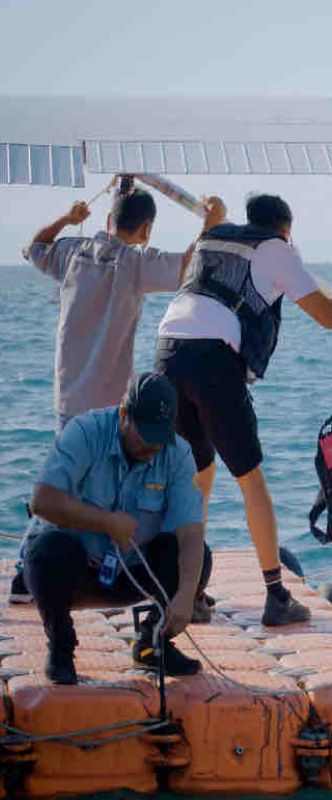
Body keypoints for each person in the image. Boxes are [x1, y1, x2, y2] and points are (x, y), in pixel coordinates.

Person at [155, 194, 332, 627]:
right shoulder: (276, 248)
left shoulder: (213, 238)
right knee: (250, 480)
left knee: (197, 478)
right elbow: (329, 315)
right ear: (286, 229)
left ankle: (187, 592)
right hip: (212, 361)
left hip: (166, 353)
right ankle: (276, 596)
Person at [15, 184, 224, 603]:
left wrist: (66, 220)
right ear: (146, 229)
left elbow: (31, 247)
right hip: (113, 404)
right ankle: (116, 571)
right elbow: (189, 267)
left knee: (64, 482)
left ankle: (27, 571)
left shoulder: (72, 251)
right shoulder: (137, 262)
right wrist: (210, 225)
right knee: (109, 485)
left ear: (107, 221)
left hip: (69, 393)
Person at [24, 373, 212, 685]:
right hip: (80, 567)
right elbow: (42, 500)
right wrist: (106, 522)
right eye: (146, 435)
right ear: (124, 415)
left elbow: (191, 531)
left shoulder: (178, 453)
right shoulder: (84, 433)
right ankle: (60, 646)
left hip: (133, 570)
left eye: (160, 436)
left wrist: (186, 596)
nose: (154, 446)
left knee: (198, 557)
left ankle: (154, 644)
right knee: (46, 554)